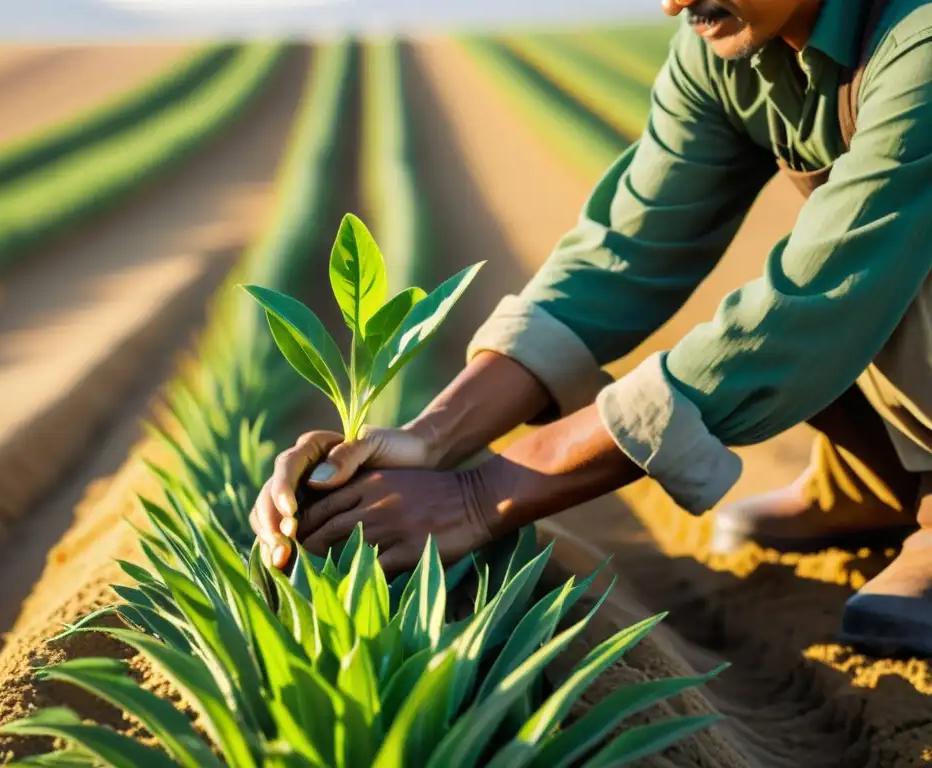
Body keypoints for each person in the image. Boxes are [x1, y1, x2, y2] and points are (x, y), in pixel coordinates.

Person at [251, 0, 932, 657]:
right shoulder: (730, 48)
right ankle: (879, 476)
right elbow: (626, 254)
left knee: (854, 271)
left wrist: (481, 495)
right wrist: (430, 438)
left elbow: (818, 305)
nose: (673, 5)